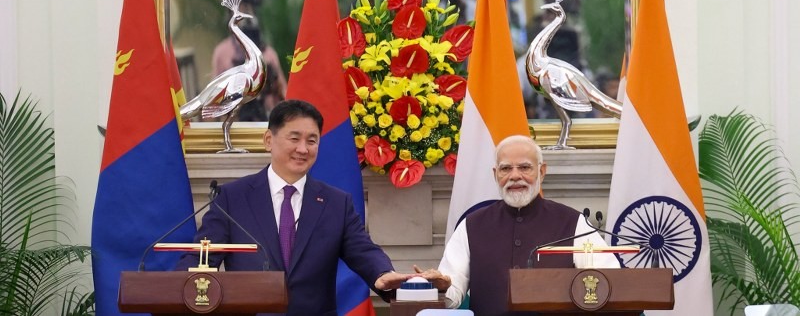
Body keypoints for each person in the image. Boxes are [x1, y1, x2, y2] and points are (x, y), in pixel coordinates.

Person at [176, 100, 412, 315]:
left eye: (312, 141)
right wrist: (175, 285)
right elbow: (202, 256)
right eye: (294, 138)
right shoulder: (232, 198)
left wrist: (383, 274)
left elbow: (363, 250)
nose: (303, 149)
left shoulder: (336, 203)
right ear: (268, 140)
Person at [416, 135, 620, 315]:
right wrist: (441, 286)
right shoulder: (472, 225)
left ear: (542, 171)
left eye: (524, 167)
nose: (514, 176)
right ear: (495, 174)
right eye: (506, 168)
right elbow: (452, 296)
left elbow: (609, 281)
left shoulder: (573, 223)